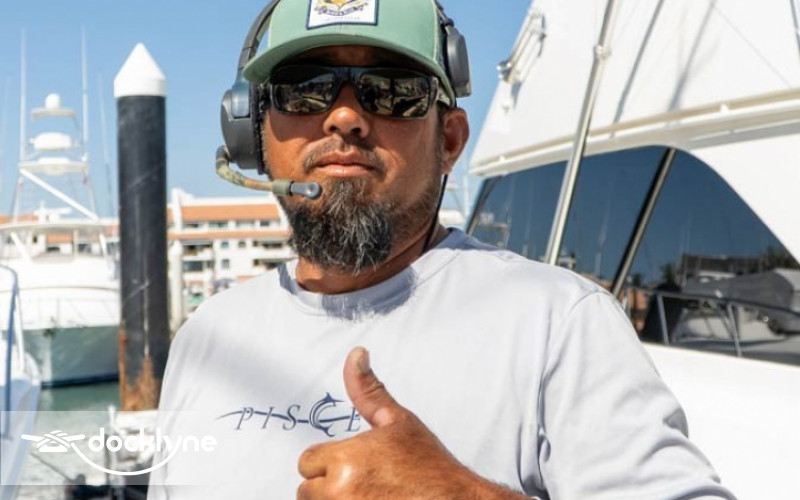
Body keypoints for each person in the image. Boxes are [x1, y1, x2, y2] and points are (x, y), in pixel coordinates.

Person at [148, 0, 736, 498]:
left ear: (449, 141)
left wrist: (460, 494)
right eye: (304, 91)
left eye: (392, 91)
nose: (345, 117)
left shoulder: (559, 323)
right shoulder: (206, 337)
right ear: (253, 135)